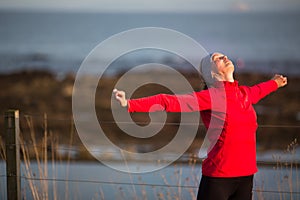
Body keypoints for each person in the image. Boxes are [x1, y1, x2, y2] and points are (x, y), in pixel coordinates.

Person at [113, 52, 287, 200]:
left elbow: (260, 89)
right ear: (210, 74)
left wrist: (275, 82)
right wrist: (130, 104)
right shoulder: (210, 97)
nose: (224, 57)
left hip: (246, 176)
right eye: (217, 58)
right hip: (218, 179)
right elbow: (168, 101)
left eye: (223, 55)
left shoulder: (245, 94)